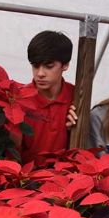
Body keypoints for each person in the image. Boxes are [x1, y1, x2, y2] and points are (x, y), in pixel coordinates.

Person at [21, 30, 77, 163]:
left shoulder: (77, 97)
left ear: (65, 65)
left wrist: (76, 128)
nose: (40, 73)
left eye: (49, 66)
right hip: (23, 179)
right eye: (35, 66)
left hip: (64, 179)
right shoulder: (19, 98)